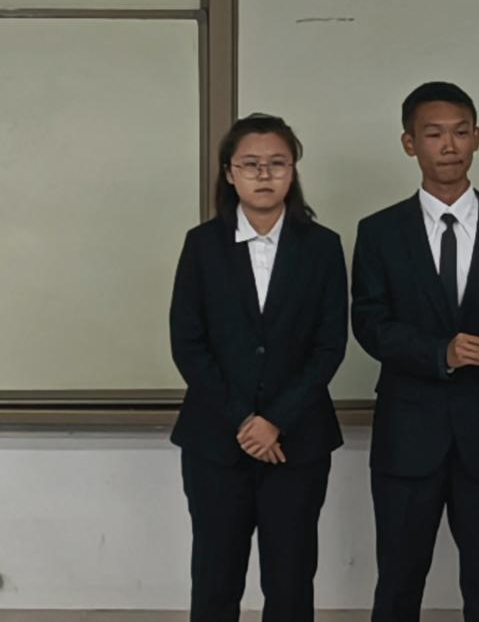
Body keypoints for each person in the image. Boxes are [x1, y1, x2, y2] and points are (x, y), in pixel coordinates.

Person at [352, 81, 479, 622]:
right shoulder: (379, 231)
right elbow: (369, 322)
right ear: (409, 143)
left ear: (478, 137)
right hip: (408, 436)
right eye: (434, 134)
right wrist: (441, 352)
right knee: (398, 585)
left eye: (460, 132)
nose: (449, 145)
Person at [170, 113, 347, 621]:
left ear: (293, 170)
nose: (264, 174)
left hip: (298, 443)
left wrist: (276, 420)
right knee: (215, 578)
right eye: (250, 164)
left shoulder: (322, 246)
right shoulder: (202, 245)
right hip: (215, 441)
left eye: (277, 163)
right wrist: (245, 420)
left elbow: (329, 346)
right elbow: (188, 344)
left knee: (290, 581)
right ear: (230, 173)